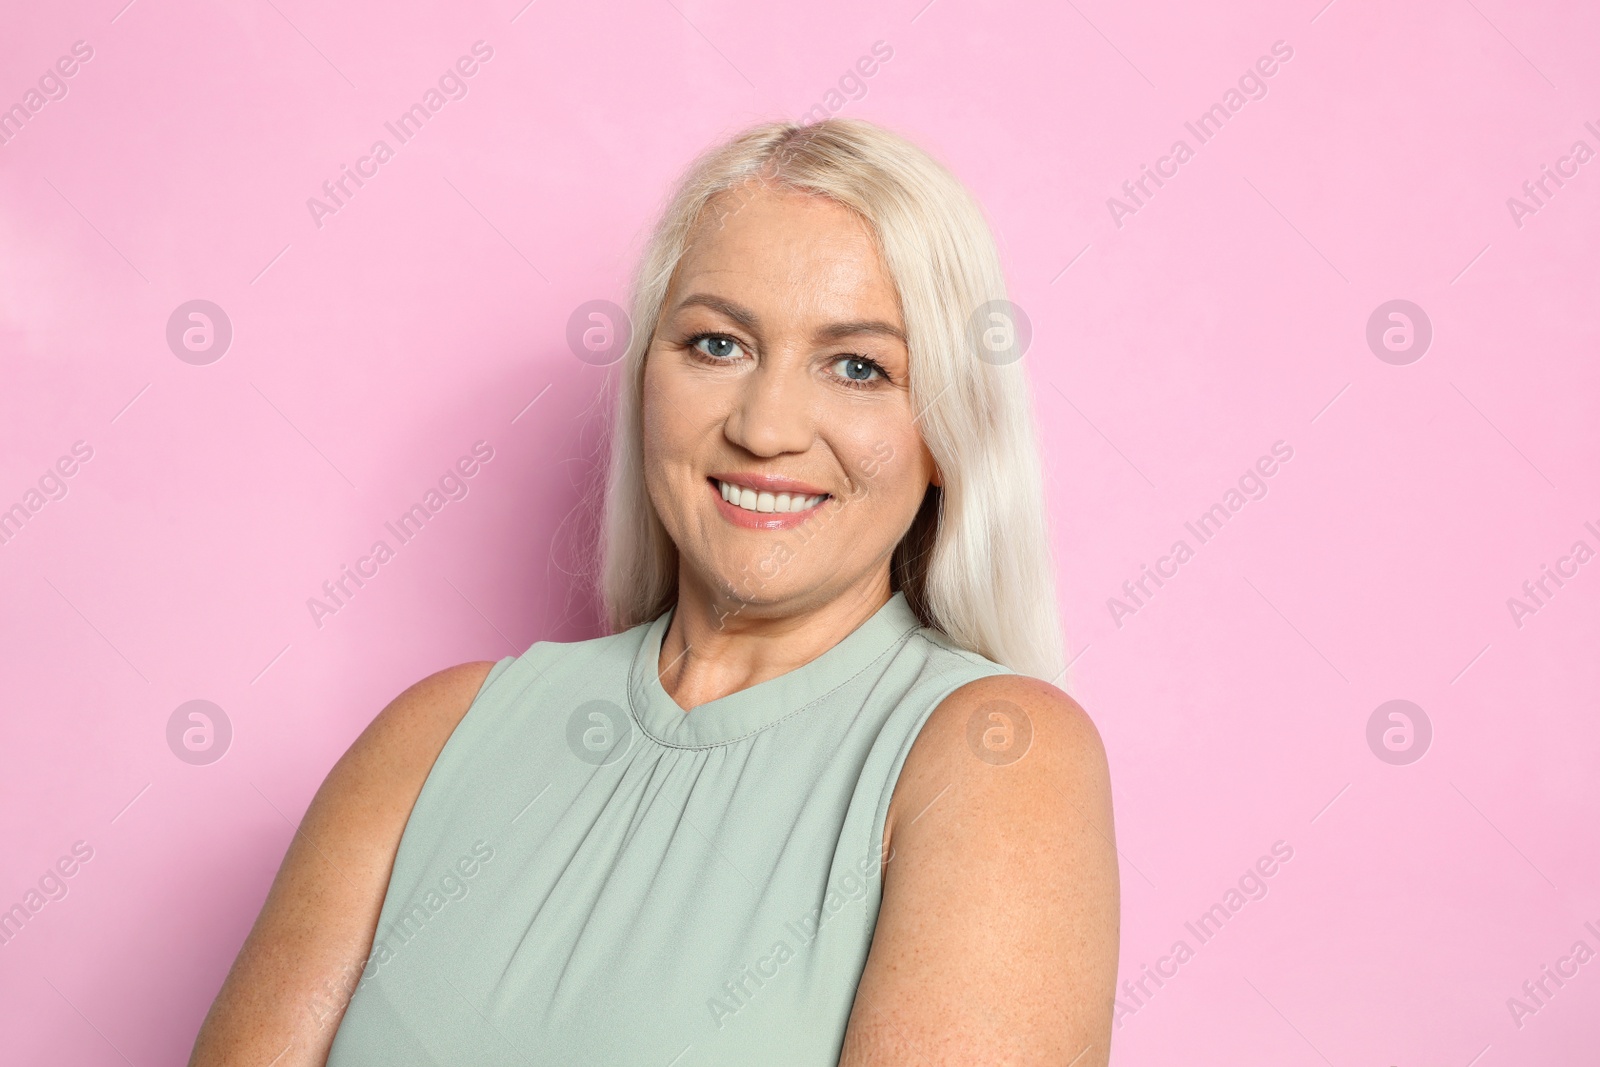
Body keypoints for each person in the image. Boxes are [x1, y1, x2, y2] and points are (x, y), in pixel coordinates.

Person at [188, 117, 1119, 1067]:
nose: (766, 427)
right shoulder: (433, 737)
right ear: (645, 377)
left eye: (858, 366)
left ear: (945, 436)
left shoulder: (993, 756)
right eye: (718, 345)